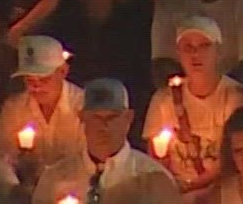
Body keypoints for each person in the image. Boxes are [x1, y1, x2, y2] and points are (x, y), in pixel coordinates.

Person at [142, 18, 243, 196]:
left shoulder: (235, 96)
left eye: (204, 46)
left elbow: (235, 156)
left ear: (218, 51)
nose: (195, 54)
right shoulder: (164, 99)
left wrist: (195, 187)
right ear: (178, 53)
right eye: (188, 47)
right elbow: (153, 154)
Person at [32, 79, 179, 204]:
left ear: (128, 118)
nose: (104, 125)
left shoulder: (154, 179)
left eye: (112, 117)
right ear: (82, 117)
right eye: (96, 117)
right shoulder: (55, 178)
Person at [0, 36, 85, 197]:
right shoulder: (15, 107)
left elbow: (87, 166)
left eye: (44, 78)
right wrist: (15, 189)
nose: (36, 86)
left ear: (63, 71)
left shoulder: (83, 107)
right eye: (29, 79)